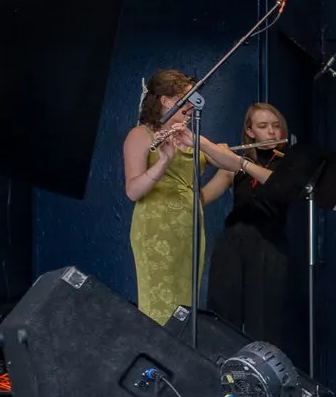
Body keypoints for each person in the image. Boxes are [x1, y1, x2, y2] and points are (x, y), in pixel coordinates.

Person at [122, 69, 256, 324]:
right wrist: (163, 161)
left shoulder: (189, 136)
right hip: (155, 226)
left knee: (186, 305)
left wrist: (201, 143)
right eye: (186, 99)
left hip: (189, 225)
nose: (192, 107)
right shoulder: (141, 135)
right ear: (165, 100)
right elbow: (133, 191)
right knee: (159, 305)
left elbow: (233, 165)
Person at [208, 102, 295, 351]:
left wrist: (237, 162)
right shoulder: (233, 168)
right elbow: (200, 198)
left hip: (269, 247)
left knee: (265, 325)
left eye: (276, 126)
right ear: (250, 132)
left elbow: (278, 185)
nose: (271, 132)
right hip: (232, 245)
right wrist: (193, 161)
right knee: (223, 319)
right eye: (263, 126)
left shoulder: (290, 164)